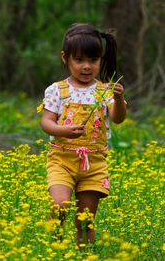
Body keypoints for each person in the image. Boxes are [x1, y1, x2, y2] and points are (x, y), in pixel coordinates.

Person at [40, 23, 126, 246]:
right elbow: (46, 123)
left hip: (94, 165)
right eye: (79, 60)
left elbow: (117, 118)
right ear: (65, 58)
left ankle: (83, 254)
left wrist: (117, 99)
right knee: (60, 205)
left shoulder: (104, 91)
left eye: (93, 60)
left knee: (85, 220)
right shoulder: (57, 90)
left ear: (100, 59)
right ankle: (54, 248)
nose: (86, 67)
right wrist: (64, 130)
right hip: (62, 160)